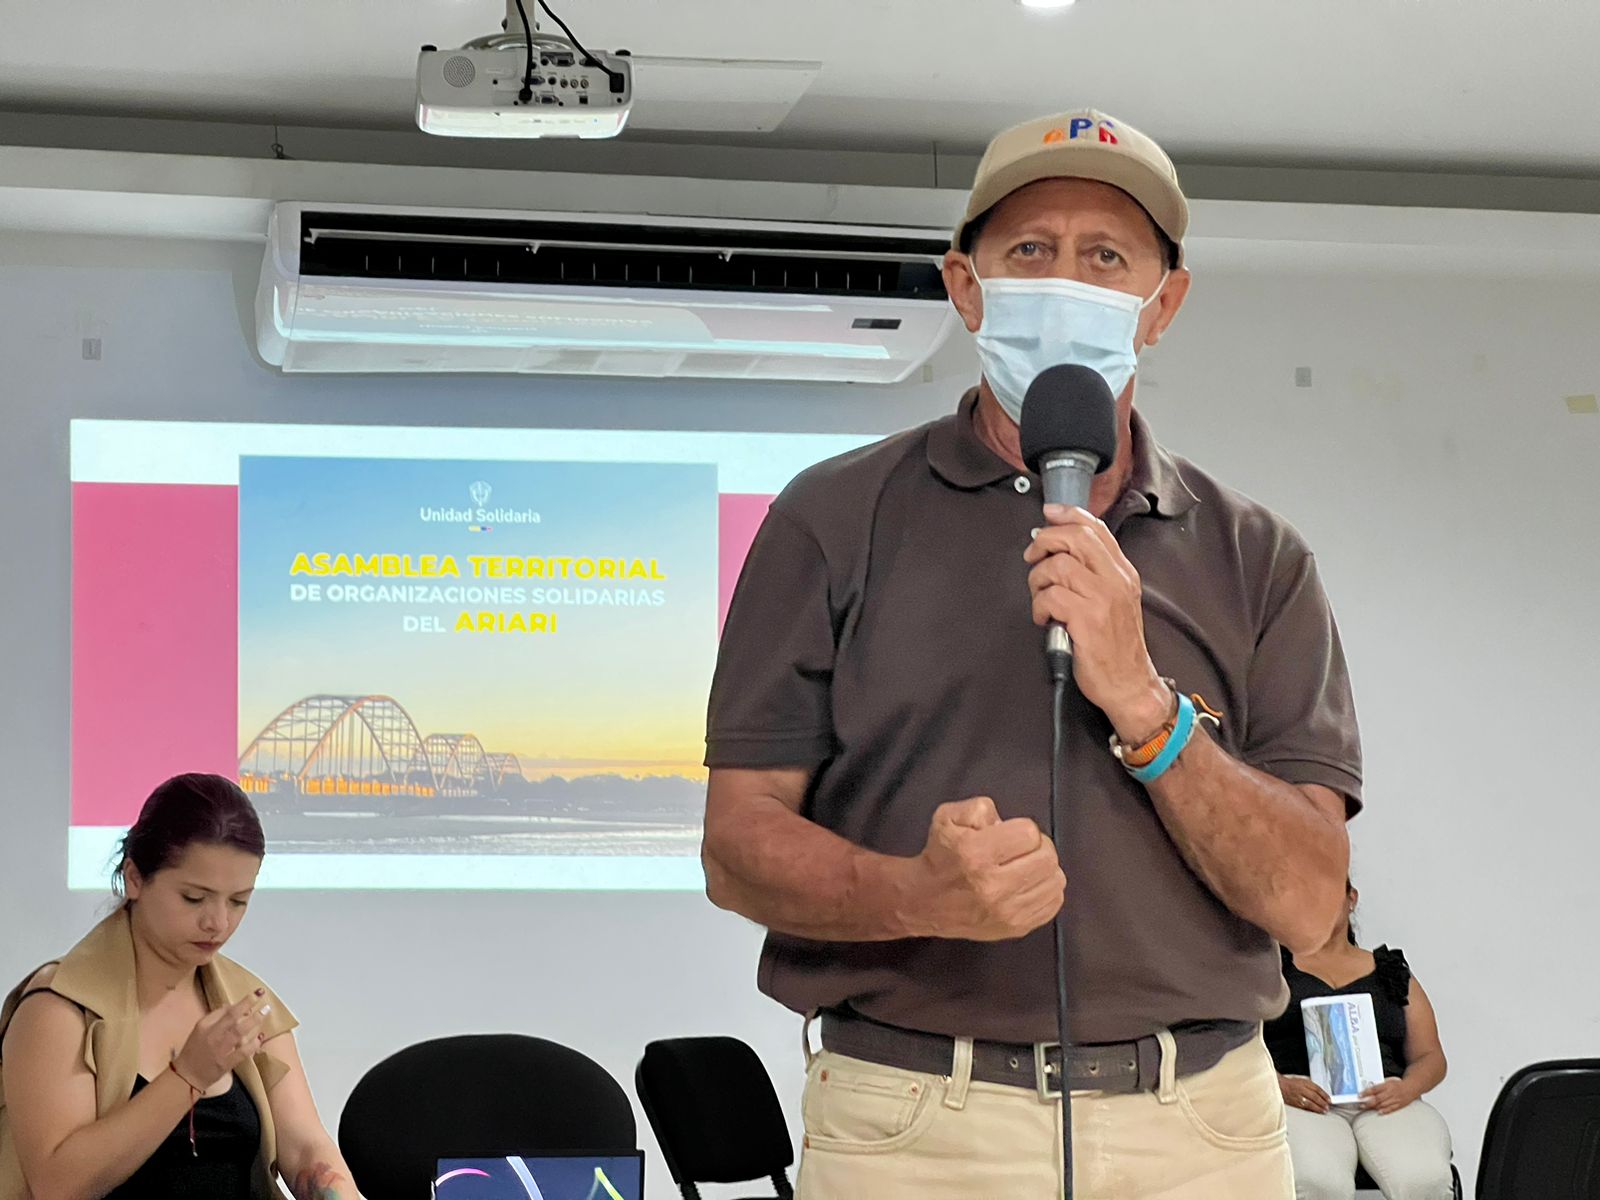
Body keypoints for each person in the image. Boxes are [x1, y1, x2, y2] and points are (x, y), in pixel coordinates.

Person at [702, 107, 1362, 1200]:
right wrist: (915, 893)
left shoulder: (1259, 557)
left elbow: (1307, 904)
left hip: (1201, 1127)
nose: (1066, 281)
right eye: (1029, 252)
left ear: (1163, 305)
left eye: (1105, 257)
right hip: (916, 1125)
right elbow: (736, 849)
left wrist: (1145, 705)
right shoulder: (831, 518)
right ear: (966, 289)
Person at [0, 773, 360, 1200]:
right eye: (194, 898)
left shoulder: (247, 1001)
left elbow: (304, 1148)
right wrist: (188, 1075)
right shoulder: (60, 1009)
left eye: (238, 901)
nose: (218, 922)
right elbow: (59, 1184)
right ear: (135, 878)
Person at [1265, 882, 1452, 1200]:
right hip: (1302, 1099)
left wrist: (1406, 1089)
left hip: (1386, 1097)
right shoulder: (1271, 970)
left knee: (1425, 1180)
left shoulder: (1390, 971)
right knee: (1316, 1181)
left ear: (1351, 899)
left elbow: (1430, 1056)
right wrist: (1280, 1085)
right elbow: (1238, 1046)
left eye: (1328, 889)